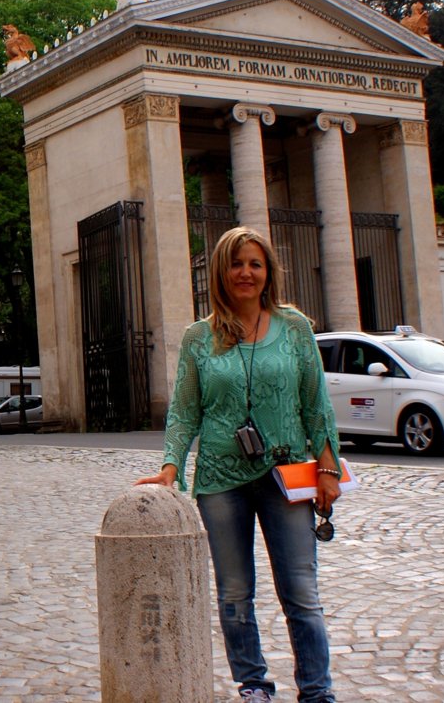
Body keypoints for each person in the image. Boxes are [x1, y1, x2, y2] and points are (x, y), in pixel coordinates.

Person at [135, 226, 341, 703]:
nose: (245, 273)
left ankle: (316, 692)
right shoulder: (198, 338)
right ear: (221, 273)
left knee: (302, 596)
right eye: (236, 264)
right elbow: (185, 410)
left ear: (268, 272)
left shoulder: (294, 328)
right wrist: (171, 466)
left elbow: (316, 403)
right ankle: (254, 685)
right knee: (233, 594)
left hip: (285, 474)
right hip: (221, 481)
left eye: (255, 264)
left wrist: (327, 466)